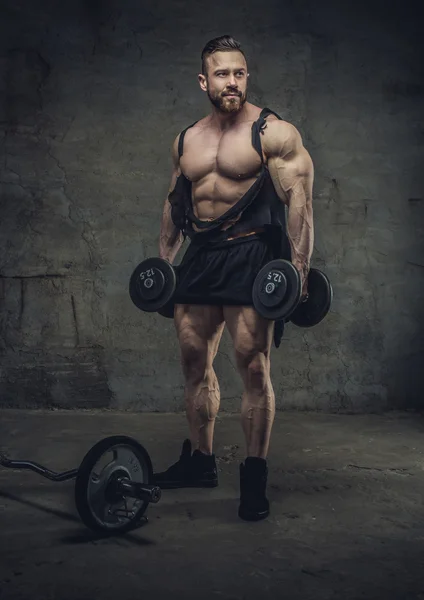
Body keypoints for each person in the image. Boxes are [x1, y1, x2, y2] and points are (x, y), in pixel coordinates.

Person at [154, 35, 314, 521]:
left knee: (253, 365)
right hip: (201, 257)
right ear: (204, 81)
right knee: (193, 361)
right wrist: (164, 264)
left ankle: (253, 478)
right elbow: (175, 203)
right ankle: (201, 462)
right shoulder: (187, 138)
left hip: (252, 254)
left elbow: (300, 205)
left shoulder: (274, 133)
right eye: (221, 74)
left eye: (239, 73)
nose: (232, 82)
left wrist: (300, 272)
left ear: (247, 76)